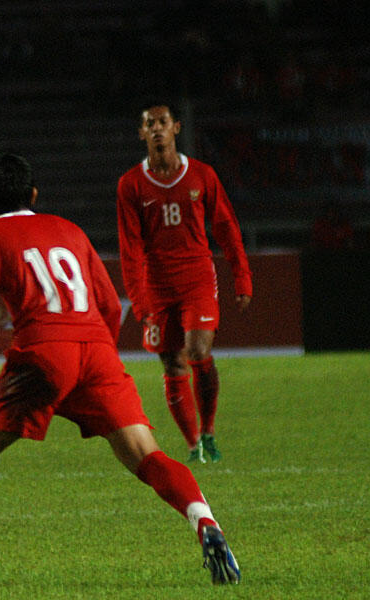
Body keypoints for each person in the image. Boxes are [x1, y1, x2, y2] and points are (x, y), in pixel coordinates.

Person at [0, 151, 240, 589]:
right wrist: (92, 351)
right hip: (97, 351)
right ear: (35, 193)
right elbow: (107, 304)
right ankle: (205, 522)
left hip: (44, 352)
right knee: (146, 454)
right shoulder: (69, 230)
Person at [116, 103, 252, 464]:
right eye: (149, 124)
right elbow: (129, 249)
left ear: (176, 128)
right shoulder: (130, 184)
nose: (157, 129)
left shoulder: (202, 175)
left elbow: (225, 227)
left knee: (198, 351)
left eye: (163, 123)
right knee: (172, 365)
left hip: (196, 277)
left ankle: (208, 432)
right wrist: (141, 303)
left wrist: (242, 276)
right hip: (157, 283)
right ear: (141, 133)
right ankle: (194, 445)